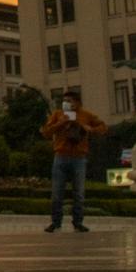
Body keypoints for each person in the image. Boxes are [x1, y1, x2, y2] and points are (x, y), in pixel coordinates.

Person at [41, 89, 106, 232]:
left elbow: (102, 127)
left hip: (79, 157)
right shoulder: (58, 114)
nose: (66, 103)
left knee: (79, 193)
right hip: (61, 156)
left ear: (77, 103)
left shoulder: (86, 115)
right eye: (64, 101)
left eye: (69, 101)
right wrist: (61, 123)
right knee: (57, 193)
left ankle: (78, 222)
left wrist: (89, 129)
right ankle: (56, 222)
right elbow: (46, 131)